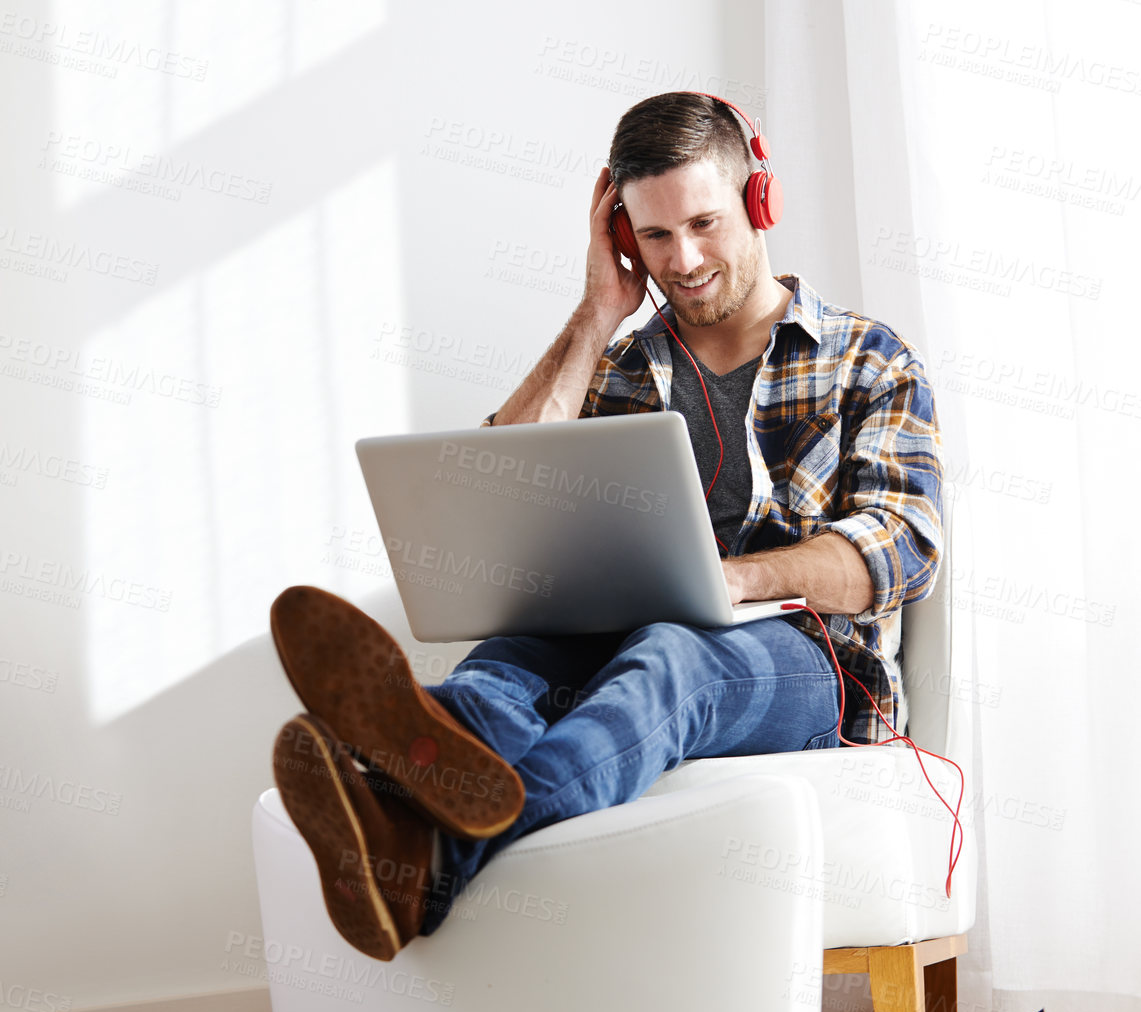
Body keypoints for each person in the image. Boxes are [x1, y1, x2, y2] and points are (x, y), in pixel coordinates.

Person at [268, 92, 943, 962]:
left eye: (704, 224)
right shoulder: (623, 367)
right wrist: (596, 314)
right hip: (617, 633)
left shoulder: (867, 358)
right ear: (624, 235)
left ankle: (422, 841)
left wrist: (735, 578)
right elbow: (491, 487)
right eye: (654, 236)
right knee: (506, 667)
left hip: (812, 669)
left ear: (757, 202)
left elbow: (902, 547)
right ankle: (415, 763)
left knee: (670, 651)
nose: (684, 260)